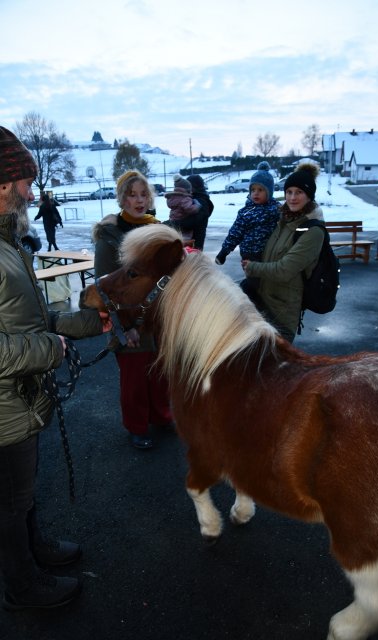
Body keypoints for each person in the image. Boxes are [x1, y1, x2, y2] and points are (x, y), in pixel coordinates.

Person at [0, 126, 112, 611]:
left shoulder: (8, 244)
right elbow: (31, 338)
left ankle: (34, 550)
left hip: (18, 398)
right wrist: (50, 349)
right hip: (4, 407)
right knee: (8, 504)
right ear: (3, 182)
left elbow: (30, 320)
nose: (32, 190)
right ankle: (23, 586)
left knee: (19, 496)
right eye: (25, 180)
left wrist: (88, 324)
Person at [92, 170, 174, 449]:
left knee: (160, 372)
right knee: (135, 379)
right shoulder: (109, 236)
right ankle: (137, 426)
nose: (139, 200)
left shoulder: (159, 230)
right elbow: (104, 288)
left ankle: (162, 416)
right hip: (128, 320)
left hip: (158, 318)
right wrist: (124, 327)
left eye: (143, 194)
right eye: (132, 194)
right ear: (122, 199)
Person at [242, 162, 325, 343]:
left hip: (281, 314)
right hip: (262, 302)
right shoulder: (283, 221)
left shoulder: (313, 231)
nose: (292, 198)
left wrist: (252, 267)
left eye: (299, 192)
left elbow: (284, 270)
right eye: (289, 192)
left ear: (309, 196)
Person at [215, 161, 279, 265]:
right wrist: (223, 252)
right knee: (253, 279)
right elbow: (235, 233)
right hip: (249, 254)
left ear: (269, 192)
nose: (256, 193)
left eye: (260, 190)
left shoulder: (275, 209)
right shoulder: (246, 212)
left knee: (266, 279)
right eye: (253, 190)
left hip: (270, 254)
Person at [163, 174, 201, 242]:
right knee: (184, 240)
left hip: (173, 220)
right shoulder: (185, 198)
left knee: (176, 237)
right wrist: (197, 205)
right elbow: (190, 209)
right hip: (183, 221)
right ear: (186, 189)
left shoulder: (173, 197)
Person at [186, 174, 214, 250]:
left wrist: (173, 223)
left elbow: (192, 221)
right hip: (192, 240)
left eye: (188, 186)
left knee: (193, 260)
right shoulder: (196, 198)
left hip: (195, 241)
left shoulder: (201, 202)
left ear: (194, 187)